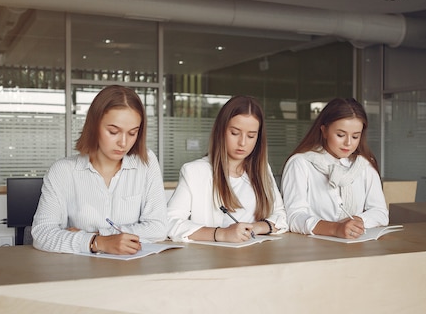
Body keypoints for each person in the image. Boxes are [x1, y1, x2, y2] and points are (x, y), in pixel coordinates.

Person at [31, 85, 168, 254]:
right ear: (94, 126)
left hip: (132, 270)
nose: (123, 143)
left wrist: (99, 236)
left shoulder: (146, 162)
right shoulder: (63, 171)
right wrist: (99, 243)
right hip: (79, 272)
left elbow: (158, 228)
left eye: (132, 133)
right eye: (113, 131)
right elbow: (42, 234)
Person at [167, 95, 287, 243]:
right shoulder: (195, 172)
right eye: (235, 133)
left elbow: (281, 216)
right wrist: (222, 234)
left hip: (259, 256)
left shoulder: (262, 170)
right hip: (216, 259)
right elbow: (169, 222)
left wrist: (254, 228)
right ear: (221, 131)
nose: (242, 142)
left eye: (251, 136)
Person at [281, 97, 388, 239]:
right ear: (324, 131)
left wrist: (357, 222)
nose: (348, 143)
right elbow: (293, 217)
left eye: (355, 136)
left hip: (356, 247)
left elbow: (380, 212)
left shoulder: (364, 165)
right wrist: (335, 228)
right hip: (312, 250)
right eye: (340, 135)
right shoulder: (300, 163)